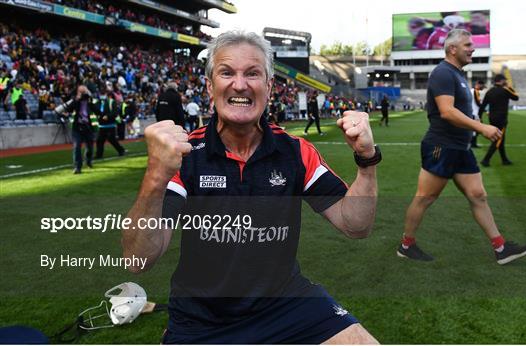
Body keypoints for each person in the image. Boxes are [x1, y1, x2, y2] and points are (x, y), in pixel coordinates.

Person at [122, 30, 381, 344]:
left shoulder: (295, 151)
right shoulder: (188, 155)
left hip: (286, 304)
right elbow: (136, 260)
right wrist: (154, 177)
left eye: (253, 73)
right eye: (227, 72)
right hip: (202, 318)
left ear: (269, 87)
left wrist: (366, 160)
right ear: (209, 86)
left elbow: (356, 225)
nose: (240, 84)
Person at [397, 29, 526, 265]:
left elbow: (459, 110)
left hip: (460, 147)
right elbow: (447, 111)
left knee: (478, 195)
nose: (472, 49)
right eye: (468, 45)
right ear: (452, 49)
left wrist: (475, 122)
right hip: (441, 146)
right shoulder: (442, 73)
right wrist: (482, 129)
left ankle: (501, 249)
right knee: (425, 198)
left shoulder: (459, 75)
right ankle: (406, 245)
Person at [55, 85, 99, 174]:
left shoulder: (91, 101)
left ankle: (88, 160)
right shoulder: (75, 101)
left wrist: (89, 99)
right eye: (81, 92)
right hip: (77, 128)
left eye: (84, 92)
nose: (82, 94)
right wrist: (76, 100)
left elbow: (97, 111)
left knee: (90, 147)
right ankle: (77, 167)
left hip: (88, 127)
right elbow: (66, 110)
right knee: (76, 147)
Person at [479, 74, 519, 166]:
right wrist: (509, 87)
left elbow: (483, 106)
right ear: (501, 81)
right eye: (504, 80)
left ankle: (504, 160)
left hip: (492, 118)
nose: (505, 81)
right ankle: (486, 160)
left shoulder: (489, 92)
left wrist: (480, 118)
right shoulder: (505, 90)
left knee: (501, 139)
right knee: (498, 139)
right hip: (501, 119)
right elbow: (516, 97)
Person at [95, 92, 125, 159]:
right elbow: (95, 110)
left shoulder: (112, 102)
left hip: (110, 125)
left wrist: (108, 116)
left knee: (112, 140)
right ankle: (99, 155)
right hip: (101, 125)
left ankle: (121, 150)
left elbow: (115, 112)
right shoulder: (98, 103)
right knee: (99, 141)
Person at [470, 80, 485, 148]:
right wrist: (485, 109)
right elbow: (478, 103)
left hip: (472, 112)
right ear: (478, 84)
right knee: (478, 128)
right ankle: (472, 143)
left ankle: (472, 142)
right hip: (475, 113)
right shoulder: (475, 91)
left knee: (475, 129)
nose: (483, 87)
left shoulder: (471, 90)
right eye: (482, 86)